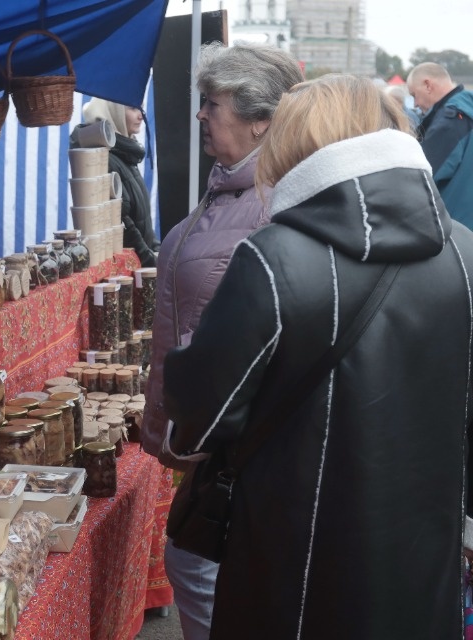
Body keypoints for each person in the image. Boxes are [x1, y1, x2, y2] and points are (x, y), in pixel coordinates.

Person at [162, 74, 473, 639]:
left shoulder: (274, 257)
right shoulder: (466, 251)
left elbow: (202, 418)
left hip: (294, 557)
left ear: (297, 143)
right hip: (424, 555)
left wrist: (189, 356)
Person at [139, 41, 303, 640]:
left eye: (213, 104)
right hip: (211, 439)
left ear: (261, 119)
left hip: (236, 445)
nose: (201, 115)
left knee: (203, 573)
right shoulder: (228, 191)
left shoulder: (273, 205)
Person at [72, 98, 159, 266]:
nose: (141, 115)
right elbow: (121, 221)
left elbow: (142, 221)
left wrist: (157, 250)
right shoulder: (104, 158)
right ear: (112, 113)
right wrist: (151, 261)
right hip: (127, 269)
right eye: (132, 108)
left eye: (140, 109)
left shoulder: (125, 155)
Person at [407, 62, 473, 229]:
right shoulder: (467, 107)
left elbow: (423, 178)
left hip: (458, 230)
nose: (414, 104)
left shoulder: (450, 120)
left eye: (414, 94)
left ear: (428, 85)